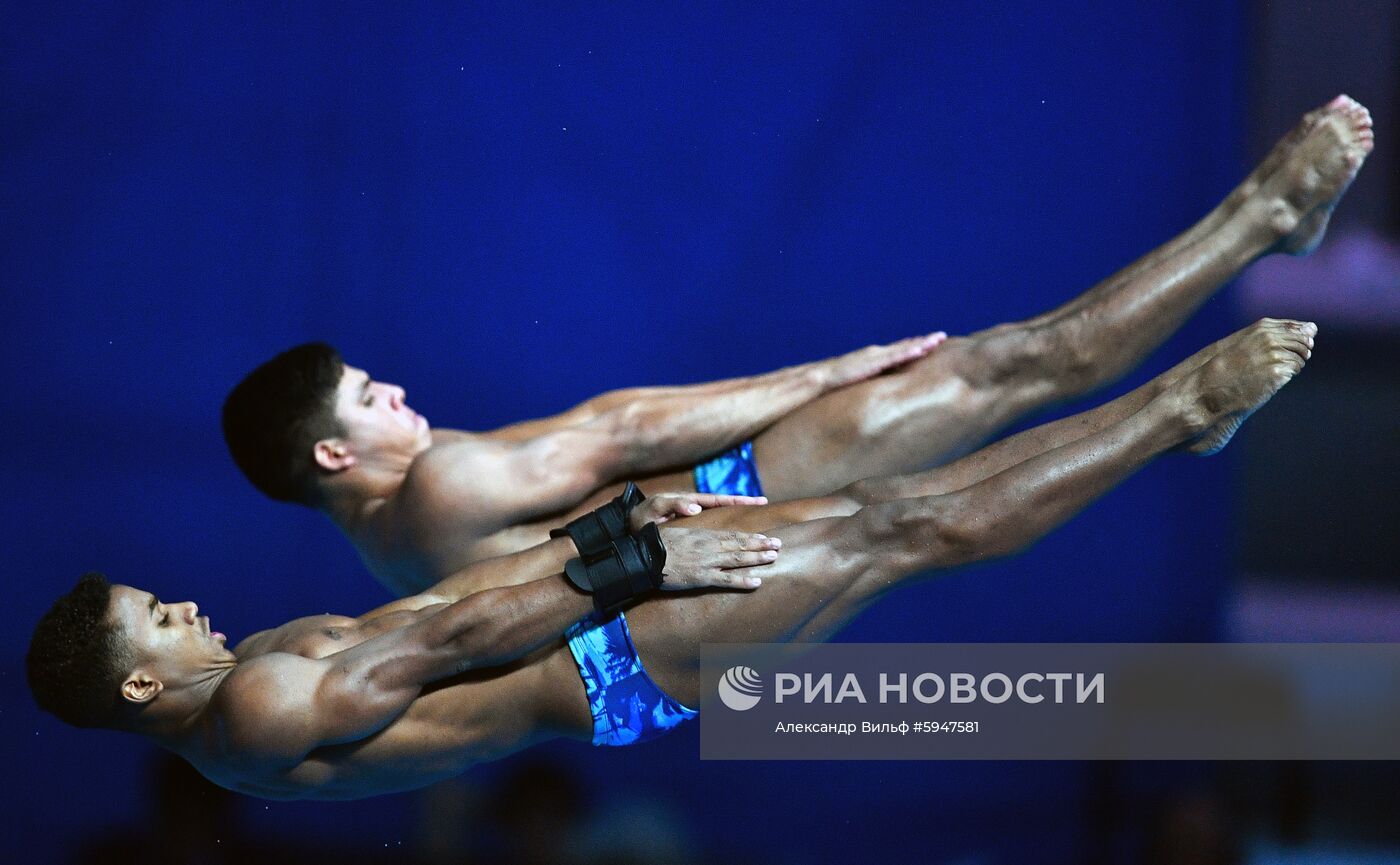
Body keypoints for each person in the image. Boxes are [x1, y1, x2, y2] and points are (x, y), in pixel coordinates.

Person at [30, 318, 1314, 800]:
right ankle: (1173, 417)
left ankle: (1168, 419)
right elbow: (443, 641)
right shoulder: (247, 710)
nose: (184, 601)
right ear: (141, 685)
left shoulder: (248, 681)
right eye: (158, 616)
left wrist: (605, 547)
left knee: (898, 512)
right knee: (897, 529)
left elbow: (451, 615)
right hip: (606, 654)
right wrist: (620, 565)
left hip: (596, 619)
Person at [221, 97, 1372, 598]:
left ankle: (1179, 423)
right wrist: (823, 373)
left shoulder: (384, 552)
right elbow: (621, 426)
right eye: (371, 395)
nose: (398, 392)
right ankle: (1266, 222)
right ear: (330, 454)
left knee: (941, 518)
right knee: (1005, 368)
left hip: (678, 642)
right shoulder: (438, 477)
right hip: (736, 502)